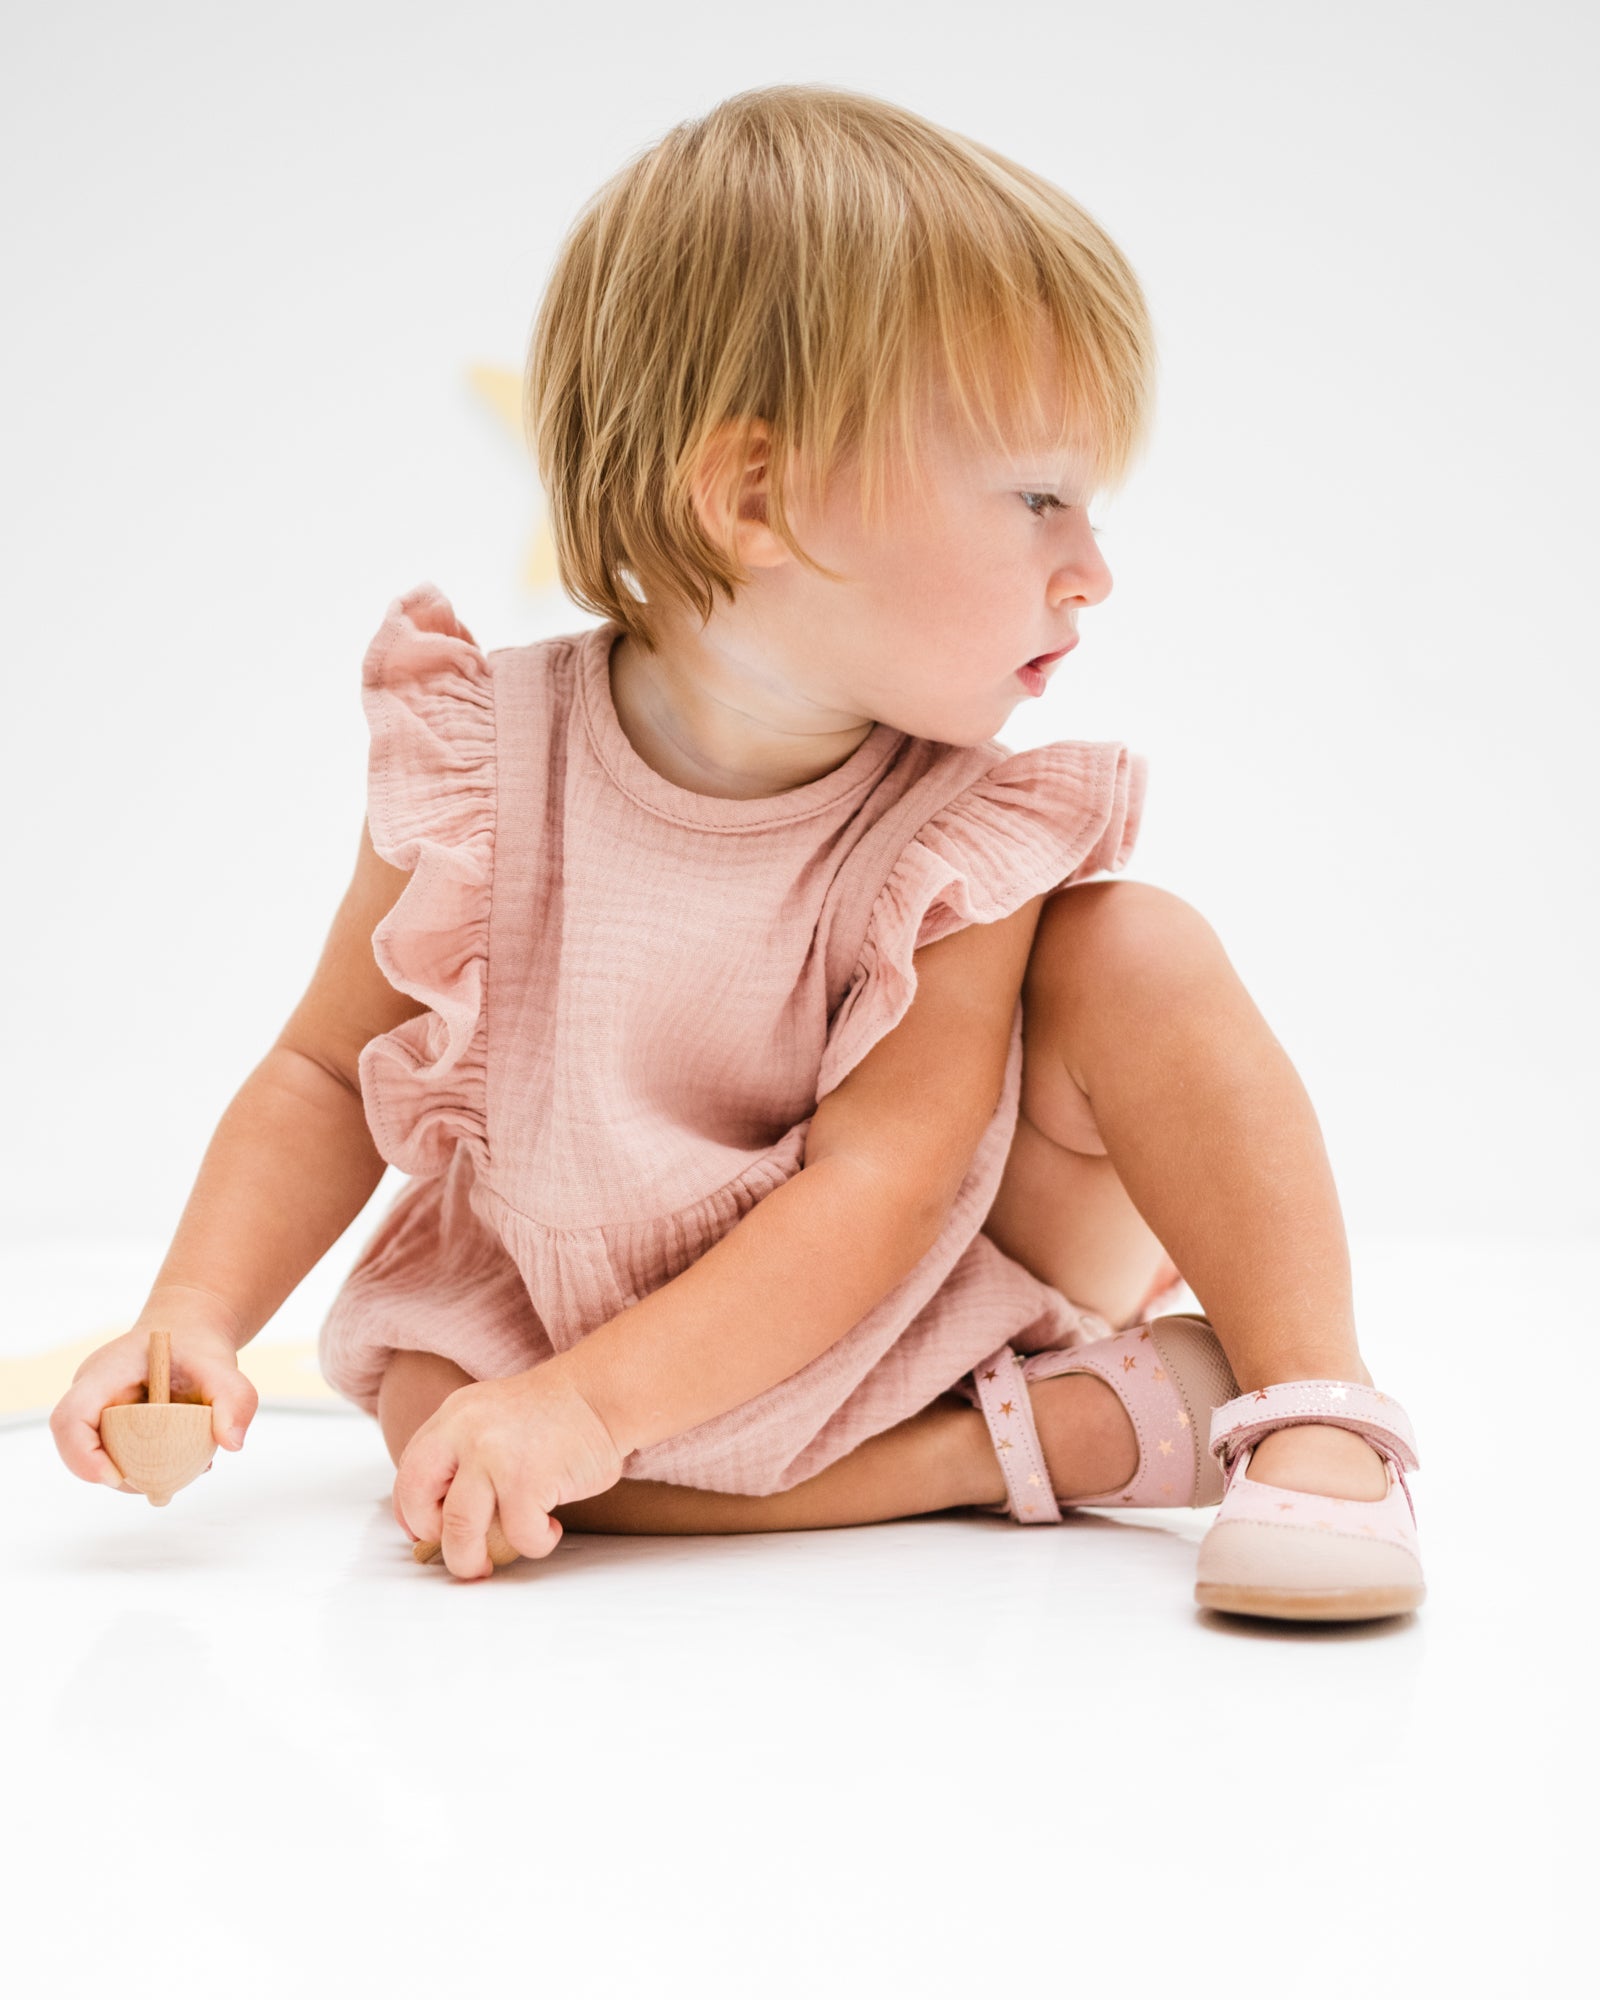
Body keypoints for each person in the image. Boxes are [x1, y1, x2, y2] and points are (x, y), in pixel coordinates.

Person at [50, 82, 1423, 1621]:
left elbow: (886, 1186)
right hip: (561, 1303)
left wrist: (586, 1411)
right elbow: (321, 1074)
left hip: (899, 1281)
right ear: (755, 496)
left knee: (1136, 944)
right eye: (1039, 497)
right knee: (452, 1452)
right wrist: (195, 1313)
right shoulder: (479, 764)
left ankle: (1311, 1402)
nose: (1092, 569)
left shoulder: (953, 829)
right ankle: (1017, 1450)